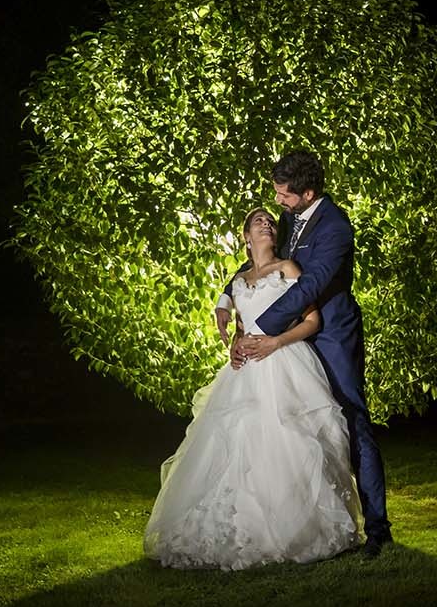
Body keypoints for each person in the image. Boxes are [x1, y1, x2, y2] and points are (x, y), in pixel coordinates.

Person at [144, 208, 359, 569]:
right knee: (233, 443)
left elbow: (311, 320)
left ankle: (294, 526)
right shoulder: (238, 279)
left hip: (284, 362)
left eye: (271, 221)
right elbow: (236, 310)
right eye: (259, 221)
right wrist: (233, 336)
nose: (267, 223)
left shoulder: (289, 268)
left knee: (286, 438)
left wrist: (275, 342)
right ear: (245, 236)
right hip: (245, 371)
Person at [221, 151, 393, 556]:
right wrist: (235, 315)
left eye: (284, 194)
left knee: (351, 420)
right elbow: (258, 270)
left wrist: (262, 326)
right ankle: (310, 523)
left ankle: (378, 530)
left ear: (308, 192)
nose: (278, 201)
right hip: (291, 345)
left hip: (329, 333)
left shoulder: (335, 226)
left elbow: (310, 284)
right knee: (299, 430)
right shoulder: (288, 217)